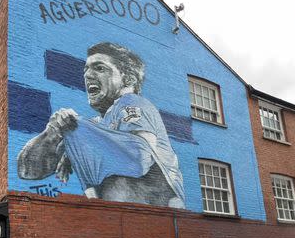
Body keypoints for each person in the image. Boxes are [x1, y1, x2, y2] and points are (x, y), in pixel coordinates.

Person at [17, 42, 185, 208]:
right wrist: (52, 132)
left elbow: (139, 159)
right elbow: (28, 170)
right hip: (115, 219)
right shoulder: (96, 127)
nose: (87, 75)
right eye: (86, 69)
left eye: (99, 68)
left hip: (156, 217)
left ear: (128, 79)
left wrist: (82, 137)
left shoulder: (134, 104)